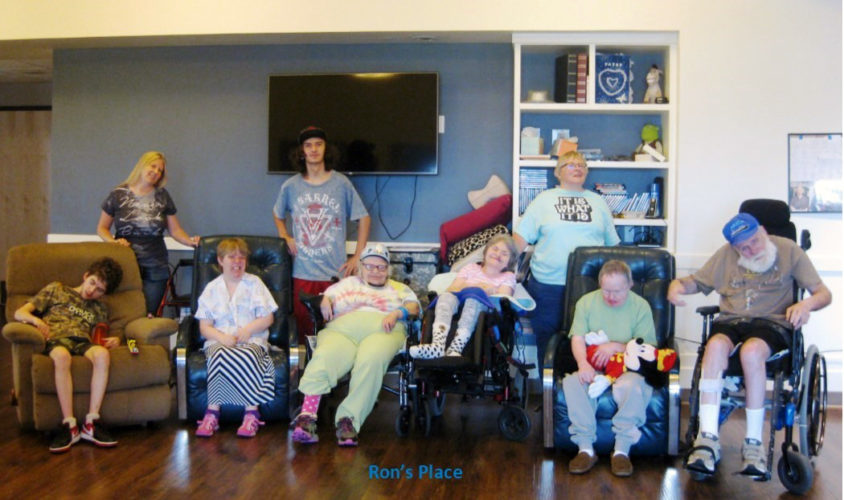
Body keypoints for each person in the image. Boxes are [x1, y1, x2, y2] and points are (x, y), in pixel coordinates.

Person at [668, 213, 832, 477]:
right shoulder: (725, 256)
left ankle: (753, 444)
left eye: (755, 241)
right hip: (732, 321)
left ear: (763, 231)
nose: (752, 249)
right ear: (735, 248)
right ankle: (707, 440)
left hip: (773, 324)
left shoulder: (789, 251)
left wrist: (805, 304)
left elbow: (823, 293)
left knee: (752, 350)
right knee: (714, 347)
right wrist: (676, 286)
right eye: (744, 247)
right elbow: (695, 283)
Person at [290, 244, 420, 447]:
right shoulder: (347, 284)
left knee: (371, 360)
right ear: (361, 267)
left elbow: (413, 307)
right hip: (343, 330)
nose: (376, 271)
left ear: (388, 270)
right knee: (326, 356)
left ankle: (348, 421)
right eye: (370, 266)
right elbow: (325, 298)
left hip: (383, 329)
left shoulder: (398, 288)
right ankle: (307, 417)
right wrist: (324, 299)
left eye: (381, 267)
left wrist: (397, 313)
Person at [514, 150, 620, 367]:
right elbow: (518, 241)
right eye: (570, 164)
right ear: (557, 172)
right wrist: (498, 269)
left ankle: (583, 394)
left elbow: (613, 247)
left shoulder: (598, 202)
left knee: (590, 343)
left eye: (581, 164)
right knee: (550, 345)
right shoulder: (543, 200)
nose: (577, 167)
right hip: (548, 288)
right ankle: (549, 398)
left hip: (590, 288)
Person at [272, 126, 372, 343]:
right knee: (304, 335)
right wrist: (285, 236)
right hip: (303, 273)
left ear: (326, 149)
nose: (314, 149)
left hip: (334, 274)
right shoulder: (290, 187)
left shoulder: (341, 184)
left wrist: (357, 256)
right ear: (302, 152)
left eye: (318, 144)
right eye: (308, 145)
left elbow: (364, 218)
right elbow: (277, 213)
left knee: (337, 336)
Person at [14, 257, 124, 453]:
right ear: (85, 276)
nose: (92, 291)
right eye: (92, 283)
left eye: (99, 290)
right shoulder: (57, 289)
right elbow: (19, 313)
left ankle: (91, 423)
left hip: (83, 342)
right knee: (62, 357)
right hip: (57, 339)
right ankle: (70, 425)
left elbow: (109, 333)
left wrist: (119, 341)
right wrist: (36, 321)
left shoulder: (99, 308)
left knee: (102, 355)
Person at [562, 260, 657, 477]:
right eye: (606, 290)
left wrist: (614, 346)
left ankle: (622, 451)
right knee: (573, 381)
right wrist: (583, 364)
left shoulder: (641, 306)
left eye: (617, 291)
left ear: (630, 285)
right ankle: (585, 448)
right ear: (599, 284)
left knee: (632, 386)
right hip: (592, 364)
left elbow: (647, 349)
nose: (611, 297)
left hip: (627, 368)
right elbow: (577, 338)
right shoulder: (586, 302)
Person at [193, 238, 279, 438]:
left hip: (252, 338)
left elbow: (268, 317)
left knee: (249, 355)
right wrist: (221, 337)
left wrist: (248, 330)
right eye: (232, 257)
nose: (237, 261)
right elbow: (204, 327)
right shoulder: (211, 289)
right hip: (220, 339)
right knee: (218, 354)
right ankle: (212, 413)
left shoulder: (255, 283)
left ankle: (251, 413)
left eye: (242, 257)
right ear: (220, 260)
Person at [97, 151, 200, 316]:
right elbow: (102, 228)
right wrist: (113, 242)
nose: (156, 172)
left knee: (148, 315)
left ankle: (139, 343)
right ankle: (131, 344)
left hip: (155, 266)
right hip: (126, 263)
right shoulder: (118, 194)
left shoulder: (162, 196)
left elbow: (175, 230)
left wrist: (190, 242)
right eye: (153, 166)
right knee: (125, 315)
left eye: (160, 170)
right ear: (142, 165)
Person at [409, 234, 518, 359]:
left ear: (510, 261)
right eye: (495, 249)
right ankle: (437, 346)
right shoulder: (470, 268)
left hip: (482, 311)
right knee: (445, 297)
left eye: (505, 253)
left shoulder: (508, 276)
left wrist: (471, 288)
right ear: (486, 251)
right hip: (457, 304)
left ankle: (456, 348)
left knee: (473, 300)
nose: (498, 254)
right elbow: (453, 289)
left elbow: (502, 298)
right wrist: (483, 287)